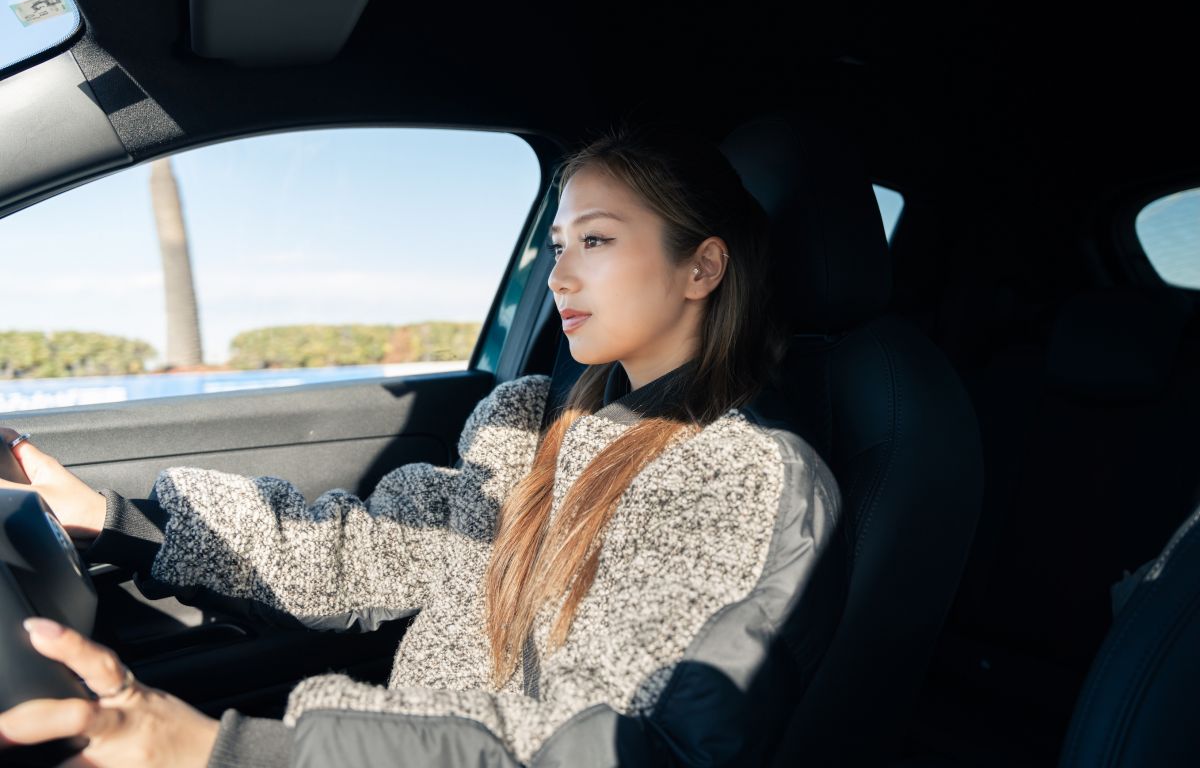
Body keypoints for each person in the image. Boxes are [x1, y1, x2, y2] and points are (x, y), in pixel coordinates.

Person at [0, 121, 843, 767]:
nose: (557, 276)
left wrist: (227, 749)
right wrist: (114, 519)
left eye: (596, 240)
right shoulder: (529, 420)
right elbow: (371, 549)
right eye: (557, 245)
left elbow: (595, 741)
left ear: (702, 268)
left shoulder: (743, 476)